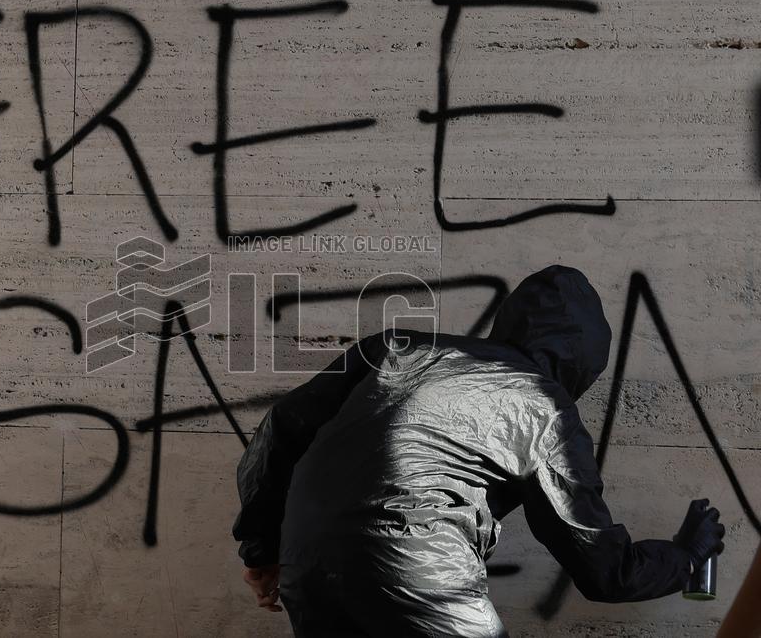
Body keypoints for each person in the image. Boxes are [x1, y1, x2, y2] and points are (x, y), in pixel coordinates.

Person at [232, 265, 726, 637]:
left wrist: (262, 551)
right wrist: (684, 558)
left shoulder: (396, 347)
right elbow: (604, 571)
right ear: (581, 363)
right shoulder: (543, 406)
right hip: (422, 573)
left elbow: (281, 427)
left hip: (307, 566)